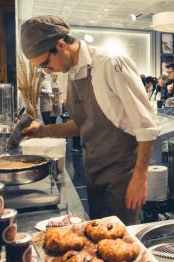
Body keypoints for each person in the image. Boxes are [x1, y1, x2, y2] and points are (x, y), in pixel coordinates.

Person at [19, 15, 159, 225]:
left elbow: (146, 126)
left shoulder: (110, 64)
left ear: (61, 45)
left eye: (45, 63)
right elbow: (82, 123)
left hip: (122, 175)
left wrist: (140, 178)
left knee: (123, 242)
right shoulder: (68, 72)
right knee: (99, 237)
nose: (47, 71)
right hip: (93, 171)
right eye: (41, 68)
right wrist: (43, 130)